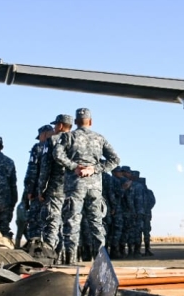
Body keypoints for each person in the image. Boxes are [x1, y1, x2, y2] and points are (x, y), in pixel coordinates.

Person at [54, 108, 120, 264]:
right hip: (95, 186)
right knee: (96, 221)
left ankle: (70, 259)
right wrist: (94, 169)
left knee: (72, 219)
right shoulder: (99, 138)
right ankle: (102, 259)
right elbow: (115, 159)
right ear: (90, 122)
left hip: (75, 184)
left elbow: (57, 154)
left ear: (76, 122)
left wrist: (74, 167)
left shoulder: (68, 136)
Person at [40, 114, 74, 254]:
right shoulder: (77, 140)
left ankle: (50, 255)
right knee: (70, 223)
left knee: (52, 222)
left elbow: (45, 167)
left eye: (55, 125)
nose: (54, 128)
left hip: (56, 187)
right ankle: (68, 256)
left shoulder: (53, 140)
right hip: (74, 189)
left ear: (60, 125)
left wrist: (41, 188)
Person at [24, 124, 55, 243]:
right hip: (57, 192)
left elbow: (32, 171)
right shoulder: (60, 146)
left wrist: (29, 190)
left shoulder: (38, 148)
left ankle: (35, 250)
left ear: (44, 134)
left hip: (39, 192)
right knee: (53, 222)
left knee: (35, 222)